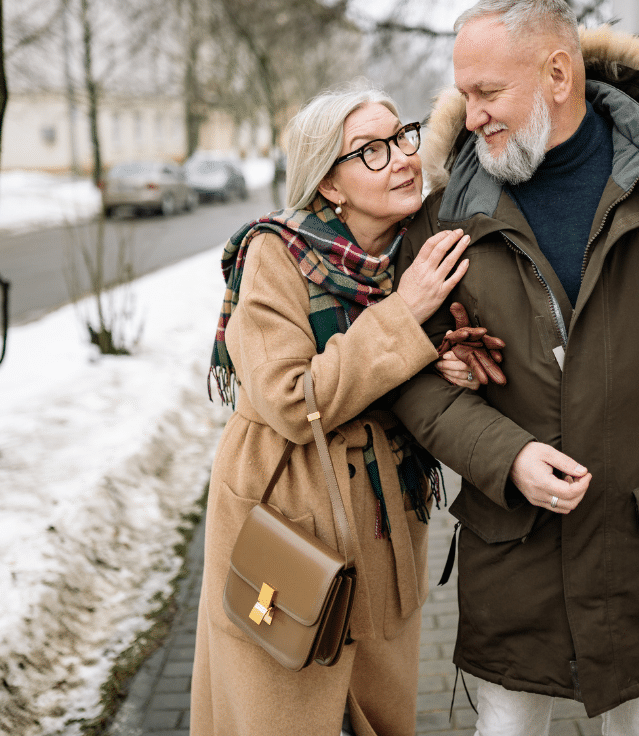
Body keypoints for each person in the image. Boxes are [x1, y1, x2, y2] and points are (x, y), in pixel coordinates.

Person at [393, 0, 639, 736]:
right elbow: (408, 372)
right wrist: (504, 455)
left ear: (556, 74)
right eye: (463, 93)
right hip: (514, 552)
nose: (471, 115)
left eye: (488, 91)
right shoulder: (445, 211)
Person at [190, 84, 479, 736]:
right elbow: (293, 400)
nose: (403, 157)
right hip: (286, 509)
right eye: (370, 151)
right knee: (285, 701)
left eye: (400, 137)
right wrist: (406, 316)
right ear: (330, 185)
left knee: (374, 705)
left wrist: (445, 365)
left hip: (382, 513)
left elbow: (393, 369)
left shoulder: (410, 251)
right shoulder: (275, 255)